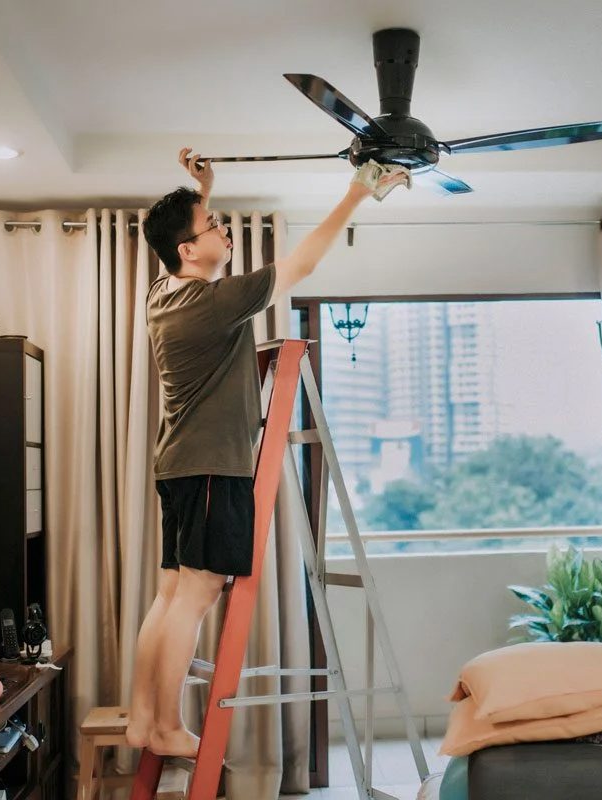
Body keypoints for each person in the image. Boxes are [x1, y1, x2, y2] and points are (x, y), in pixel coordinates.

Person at [125, 148, 405, 758]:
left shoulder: (163, 293)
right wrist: (356, 193)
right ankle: (166, 724)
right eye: (212, 225)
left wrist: (203, 190)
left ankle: (143, 718)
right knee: (196, 596)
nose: (222, 228)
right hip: (210, 466)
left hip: (179, 465)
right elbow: (301, 265)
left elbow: (187, 238)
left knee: (170, 594)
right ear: (187, 250)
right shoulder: (210, 303)